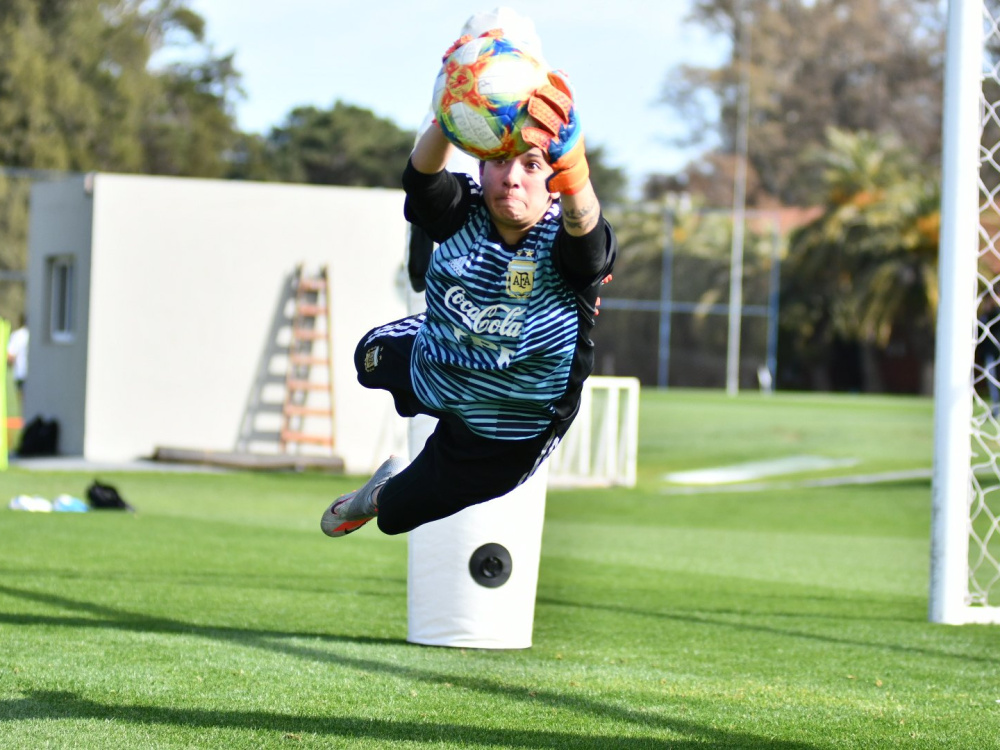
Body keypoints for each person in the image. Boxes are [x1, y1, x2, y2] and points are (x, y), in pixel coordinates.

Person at [320, 33, 616, 539]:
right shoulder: (465, 209)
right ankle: (436, 350)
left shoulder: (563, 234)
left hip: (512, 425)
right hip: (444, 363)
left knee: (395, 518)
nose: (512, 178)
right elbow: (420, 181)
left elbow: (590, 253)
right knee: (366, 359)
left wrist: (576, 168)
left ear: (553, 180)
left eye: (532, 165)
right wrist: (447, 109)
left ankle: (380, 492)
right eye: (501, 161)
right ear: (480, 162)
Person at [7, 315, 28, 398]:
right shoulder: (37, 334)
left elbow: (10, 356)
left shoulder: (17, 335)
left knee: (22, 403)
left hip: (21, 374)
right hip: (36, 374)